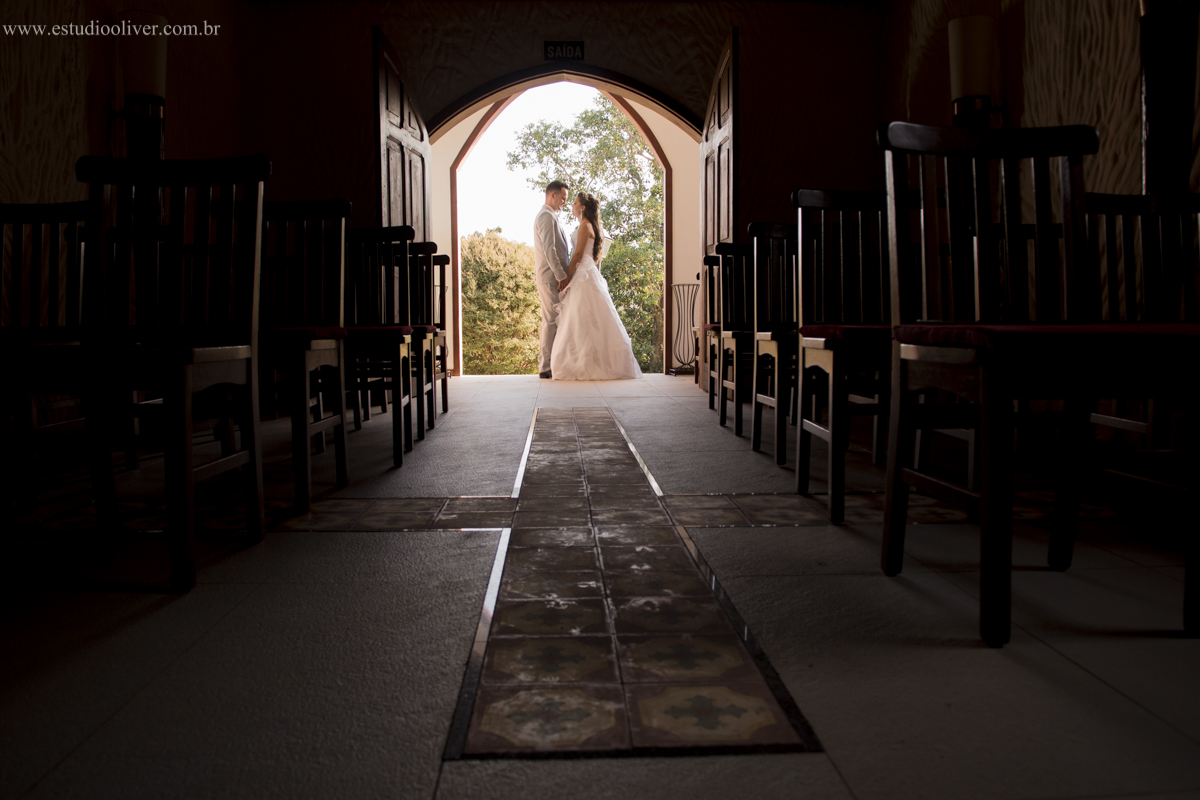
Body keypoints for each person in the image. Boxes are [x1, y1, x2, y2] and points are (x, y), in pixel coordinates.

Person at [550, 192, 643, 381]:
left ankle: (587, 364)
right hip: (587, 271)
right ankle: (588, 361)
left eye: (575, 203)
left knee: (583, 317)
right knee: (585, 318)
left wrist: (565, 277)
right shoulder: (588, 225)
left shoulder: (585, 226)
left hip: (583, 273)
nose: (572, 206)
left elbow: (577, 256)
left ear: (583, 207)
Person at [532, 180, 571, 379]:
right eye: (563, 197)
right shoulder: (546, 216)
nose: (564, 201)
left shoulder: (552, 216)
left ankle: (552, 363)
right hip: (550, 277)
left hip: (553, 277)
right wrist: (561, 276)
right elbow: (550, 249)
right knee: (550, 321)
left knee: (554, 321)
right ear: (552, 195)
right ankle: (545, 367)